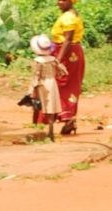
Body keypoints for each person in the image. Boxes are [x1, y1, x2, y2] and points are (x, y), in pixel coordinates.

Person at [51, 0, 85, 135]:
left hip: (67, 55)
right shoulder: (70, 14)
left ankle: (67, 118)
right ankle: (67, 118)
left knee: (63, 85)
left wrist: (58, 60)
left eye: (63, 0)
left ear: (71, 2)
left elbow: (68, 40)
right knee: (67, 85)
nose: (59, 2)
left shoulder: (68, 17)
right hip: (70, 54)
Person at [28, 34, 67, 142]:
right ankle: (51, 130)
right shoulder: (53, 59)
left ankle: (35, 128)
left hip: (42, 84)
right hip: (52, 83)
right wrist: (55, 75)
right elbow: (63, 71)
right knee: (51, 107)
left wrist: (32, 89)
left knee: (38, 105)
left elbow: (36, 76)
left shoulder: (37, 61)